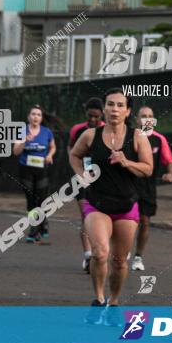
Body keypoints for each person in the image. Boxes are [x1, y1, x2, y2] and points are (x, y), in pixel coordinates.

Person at [69, 88, 152, 322]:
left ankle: (114, 302)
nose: (114, 109)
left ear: (127, 111)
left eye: (119, 105)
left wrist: (126, 162)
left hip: (126, 205)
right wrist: (81, 175)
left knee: (119, 261)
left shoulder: (137, 137)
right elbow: (74, 156)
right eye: (110, 104)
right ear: (104, 108)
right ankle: (99, 299)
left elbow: (148, 168)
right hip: (97, 204)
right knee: (100, 253)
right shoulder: (90, 136)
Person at [130, 105, 172, 272]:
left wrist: (169, 174)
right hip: (129, 186)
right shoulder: (130, 136)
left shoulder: (159, 139)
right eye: (143, 116)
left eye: (150, 116)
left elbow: (170, 160)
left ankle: (138, 257)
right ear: (137, 119)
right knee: (128, 221)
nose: (147, 119)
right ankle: (123, 250)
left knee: (144, 222)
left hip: (148, 188)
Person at [68, 97, 105, 272]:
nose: (92, 120)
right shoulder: (77, 130)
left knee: (101, 218)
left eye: (96, 117)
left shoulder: (107, 130)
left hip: (102, 180)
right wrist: (79, 170)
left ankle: (101, 252)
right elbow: (71, 150)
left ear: (102, 115)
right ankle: (88, 256)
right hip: (81, 178)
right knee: (86, 216)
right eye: (89, 116)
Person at [12, 105, 56, 242]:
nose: (36, 116)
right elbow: (16, 152)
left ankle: (43, 223)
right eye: (33, 114)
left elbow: (53, 147)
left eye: (38, 114)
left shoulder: (47, 132)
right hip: (26, 169)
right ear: (28, 117)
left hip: (42, 169)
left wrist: (49, 155)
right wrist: (25, 141)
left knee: (41, 199)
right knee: (31, 199)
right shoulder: (22, 131)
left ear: (41, 118)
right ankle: (34, 228)